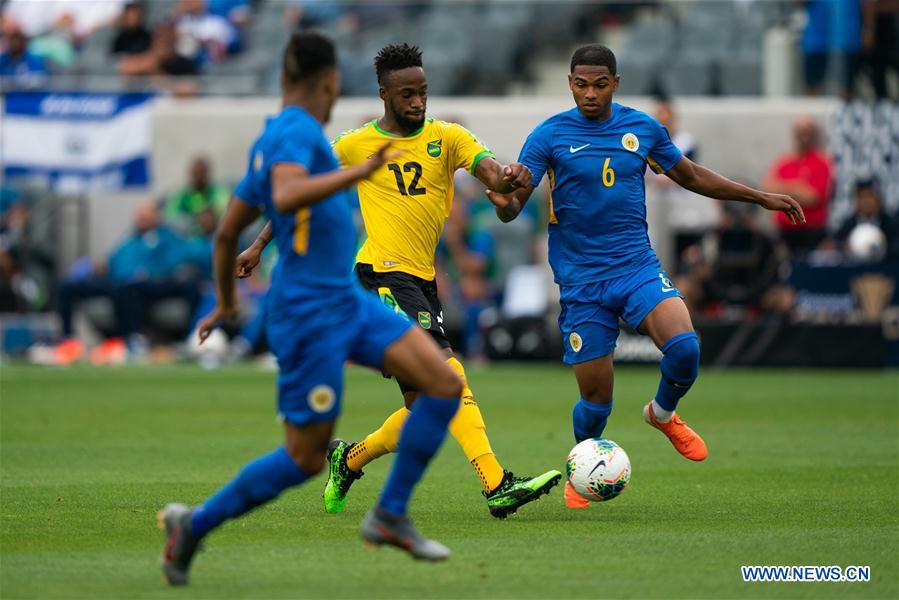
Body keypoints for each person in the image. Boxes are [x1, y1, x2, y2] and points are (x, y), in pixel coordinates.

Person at [158, 32, 463, 586]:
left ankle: (390, 514)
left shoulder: (275, 136)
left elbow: (227, 232)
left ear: (282, 78)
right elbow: (293, 192)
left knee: (442, 384)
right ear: (330, 82)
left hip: (343, 300)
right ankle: (193, 526)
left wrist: (229, 298)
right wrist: (360, 173)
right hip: (309, 315)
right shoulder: (298, 133)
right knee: (304, 458)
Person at [237, 43, 561, 520]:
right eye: (407, 94)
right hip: (381, 276)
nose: (418, 102)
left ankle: (348, 460)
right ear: (384, 94)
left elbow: (490, 171)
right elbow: (297, 193)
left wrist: (510, 177)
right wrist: (259, 244)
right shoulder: (355, 144)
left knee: (425, 405)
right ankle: (497, 483)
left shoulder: (448, 137)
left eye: (423, 92)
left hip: (422, 280)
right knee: (449, 376)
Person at [487, 45, 805, 509]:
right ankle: (582, 470)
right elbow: (514, 205)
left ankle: (662, 414)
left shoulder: (643, 128)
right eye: (581, 84)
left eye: (599, 84)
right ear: (570, 83)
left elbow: (692, 176)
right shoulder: (548, 136)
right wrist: (503, 198)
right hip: (581, 283)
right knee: (596, 402)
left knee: (685, 348)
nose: (590, 94)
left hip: (635, 267)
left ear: (615, 82)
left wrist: (759, 197)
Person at [763, 116, 834, 257]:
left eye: (808, 131)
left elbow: (812, 198)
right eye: (800, 131)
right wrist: (798, 186)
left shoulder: (822, 163)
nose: (804, 136)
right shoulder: (784, 162)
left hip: (812, 232)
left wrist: (784, 188)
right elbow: (768, 189)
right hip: (785, 232)